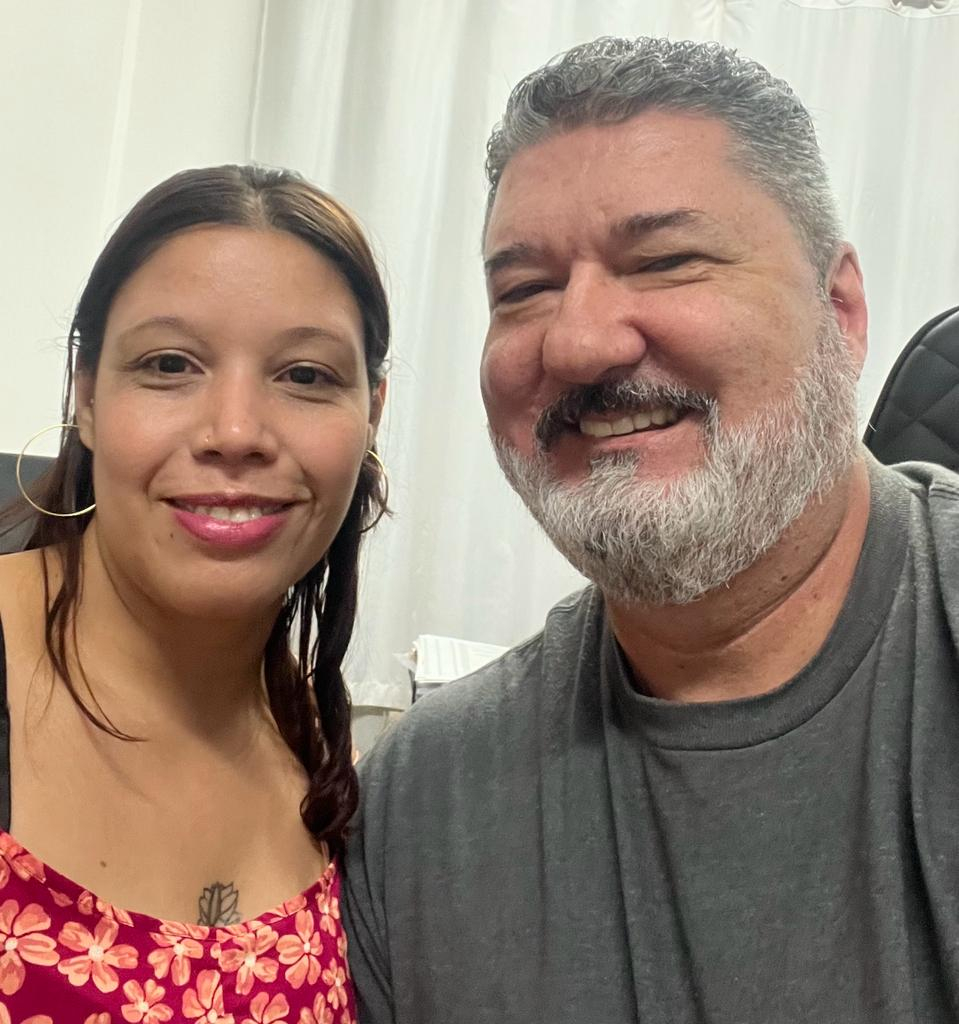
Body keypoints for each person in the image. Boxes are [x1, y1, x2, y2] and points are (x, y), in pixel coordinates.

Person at [342, 36, 959, 1024]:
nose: (577, 341)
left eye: (666, 262)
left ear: (838, 311)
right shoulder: (419, 807)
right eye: (523, 290)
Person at [0, 165, 389, 1021]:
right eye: (169, 364)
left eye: (306, 375)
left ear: (373, 416)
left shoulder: (326, 758)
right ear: (86, 397)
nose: (236, 432)